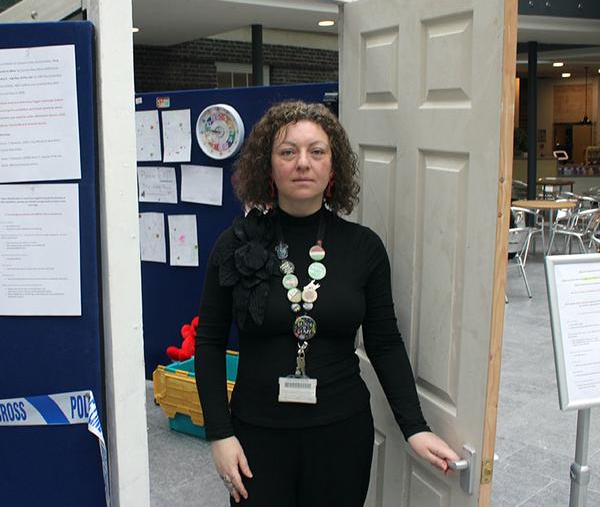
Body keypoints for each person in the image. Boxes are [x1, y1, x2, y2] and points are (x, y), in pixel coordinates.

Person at [195, 101, 458, 506]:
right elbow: (209, 341)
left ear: (333, 168)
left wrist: (414, 426)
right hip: (256, 437)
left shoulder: (363, 247)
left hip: (341, 434)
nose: (303, 162)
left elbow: (384, 343)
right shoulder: (235, 245)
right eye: (288, 152)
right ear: (268, 166)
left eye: (316, 151)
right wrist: (219, 433)